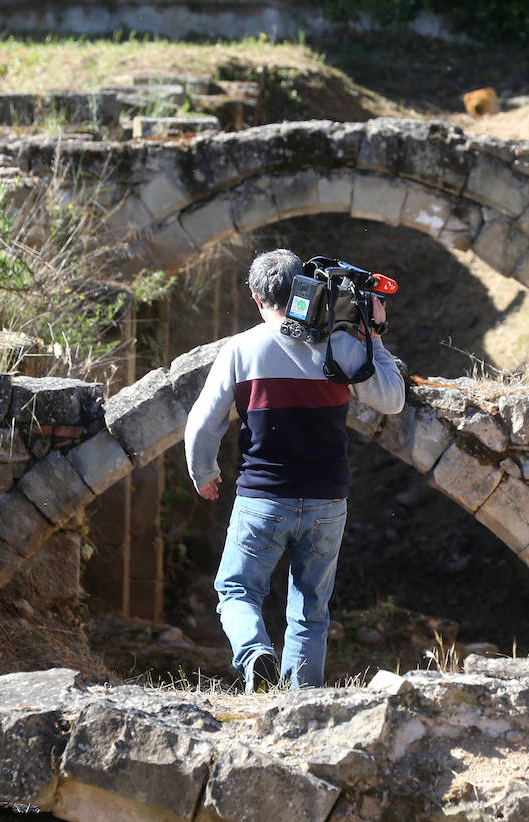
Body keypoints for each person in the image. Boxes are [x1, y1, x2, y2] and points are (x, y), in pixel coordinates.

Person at [185, 249, 406, 692]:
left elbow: (202, 423)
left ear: (255, 298)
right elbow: (391, 400)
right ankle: (302, 700)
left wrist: (203, 472)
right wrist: (373, 336)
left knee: (236, 591)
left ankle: (254, 654)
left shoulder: (241, 349)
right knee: (310, 608)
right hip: (328, 499)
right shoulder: (340, 345)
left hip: (262, 498)